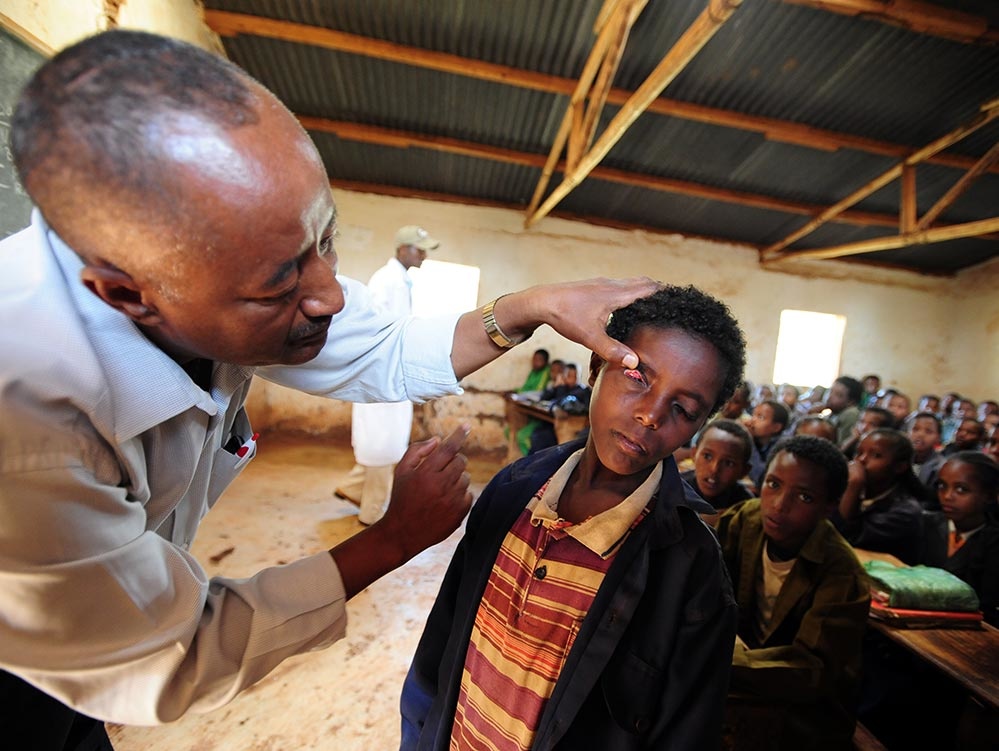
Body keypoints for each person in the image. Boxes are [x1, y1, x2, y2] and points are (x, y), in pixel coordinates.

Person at [0, 29, 661, 746]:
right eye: (281, 278)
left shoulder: (210, 272)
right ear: (129, 294)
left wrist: (528, 305)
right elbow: (170, 652)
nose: (330, 294)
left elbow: (382, 344)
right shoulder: (26, 427)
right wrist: (392, 539)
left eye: (326, 240)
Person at [400, 285, 747, 751]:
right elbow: (439, 650)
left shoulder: (691, 572)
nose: (650, 416)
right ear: (595, 367)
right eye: (638, 377)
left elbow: (684, 733)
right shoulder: (513, 491)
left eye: (682, 409)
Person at [716, 436, 869, 751]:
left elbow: (812, 670)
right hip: (738, 681)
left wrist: (717, 660)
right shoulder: (745, 520)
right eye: (773, 484)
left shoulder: (841, 573)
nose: (779, 504)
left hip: (805, 712)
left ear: (829, 507)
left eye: (804, 497)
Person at [336, 224, 439, 524]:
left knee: (384, 439)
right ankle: (373, 515)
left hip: (390, 371)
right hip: (383, 373)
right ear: (403, 249)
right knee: (383, 443)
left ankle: (353, 488)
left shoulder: (400, 280)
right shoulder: (388, 282)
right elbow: (379, 327)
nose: (424, 256)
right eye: (420, 250)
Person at [920, 452, 999, 626]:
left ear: (990, 495)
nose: (947, 496)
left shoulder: (993, 542)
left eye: (961, 489)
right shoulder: (924, 524)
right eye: (942, 486)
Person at [831, 429, 924, 564]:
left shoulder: (905, 512)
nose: (861, 460)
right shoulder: (858, 493)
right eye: (859, 452)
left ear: (900, 467)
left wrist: (853, 485)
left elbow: (840, 540)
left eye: (876, 455)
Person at [681, 418, 753, 525]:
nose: (714, 469)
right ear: (693, 454)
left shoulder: (745, 507)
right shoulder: (671, 488)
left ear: (744, 471)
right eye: (707, 456)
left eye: (729, 463)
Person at [528, 363, 592, 454]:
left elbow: (561, 402)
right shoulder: (563, 387)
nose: (572, 379)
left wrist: (560, 388)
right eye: (569, 376)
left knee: (540, 438)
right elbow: (543, 398)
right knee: (537, 434)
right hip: (555, 424)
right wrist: (556, 385)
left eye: (575, 376)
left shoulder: (582, 391)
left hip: (570, 427)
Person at [747, 399, 790, 491]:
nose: (752, 420)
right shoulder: (757, 439)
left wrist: (748, 439)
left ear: (776, 427)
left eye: (761, 417)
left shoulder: (783, 447)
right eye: (753, 415)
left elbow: (760, 478)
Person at [907, 411, 945, 508]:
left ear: (938, 438)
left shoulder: (941, 466)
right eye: (915, 429)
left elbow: (932, 500)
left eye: (928, 431)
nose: (920, 435)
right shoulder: (900, 459)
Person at [816, 376, 862, 445]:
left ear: (851, 402)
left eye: (838, 395)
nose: (830, 397)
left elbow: (838, 445)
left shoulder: (851, 414)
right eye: (831, 391)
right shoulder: (834, 411)